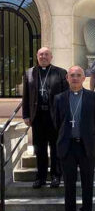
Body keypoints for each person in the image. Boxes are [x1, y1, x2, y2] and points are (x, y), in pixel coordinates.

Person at [54, 66, 95, 211]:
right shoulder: (59, 98)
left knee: (87, 183)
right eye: (72, 75)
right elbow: (56, 122)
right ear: (67, 78)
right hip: (67, 146)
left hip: (86, 146)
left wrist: (89, 135)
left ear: (84, 78)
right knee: (68, 183)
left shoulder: (94, 97)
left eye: (78, 75)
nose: (75, 78)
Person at [22, 47, 68, 189]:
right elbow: (26, 96)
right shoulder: (29, 73)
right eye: (41, 54)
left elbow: (66, 96)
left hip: (54, 116)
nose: (43, 57)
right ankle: (40, 177)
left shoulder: (60, 73)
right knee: (39, 148)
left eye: (46, 54)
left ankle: (56, 176)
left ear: (51, 57)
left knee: (55, 148)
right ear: (37, 56)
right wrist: (26, 115)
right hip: (37, 116)